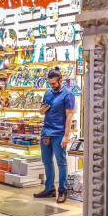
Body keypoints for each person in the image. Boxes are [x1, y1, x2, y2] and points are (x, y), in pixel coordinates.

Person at [34, 67, 75, 203]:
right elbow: (42, 111)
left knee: (61, 163)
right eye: (50, 83)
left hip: (59, 134)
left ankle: (62, 191)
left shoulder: (68, 95)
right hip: (46, 132)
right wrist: (41, 110)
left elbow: (69, 116)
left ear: (60, 80)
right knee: (47, 162)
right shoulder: (47, 93)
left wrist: (66, 135)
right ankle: (49, 188)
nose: (52, 86)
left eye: (54, 83)